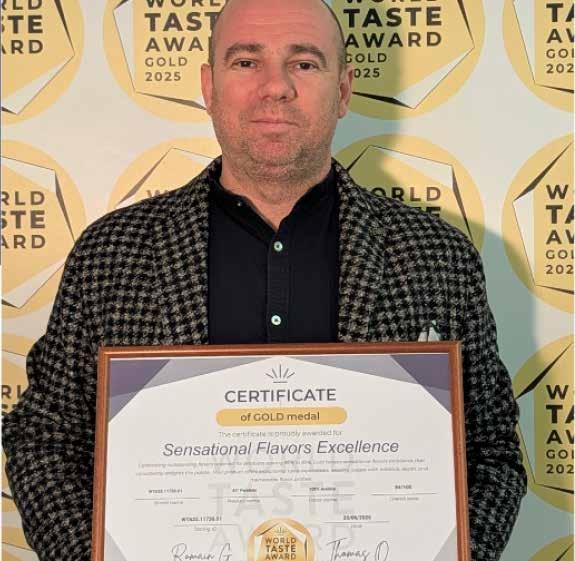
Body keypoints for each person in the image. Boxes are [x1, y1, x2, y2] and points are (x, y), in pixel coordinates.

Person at [2, 0, 526, 560]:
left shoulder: (438, 255)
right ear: (209, 86)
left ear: (343, 89)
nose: (275, 87)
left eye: (304, 63)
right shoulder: (111, 253)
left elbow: (491, 450)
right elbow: (46, 441)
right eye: (246, 62)